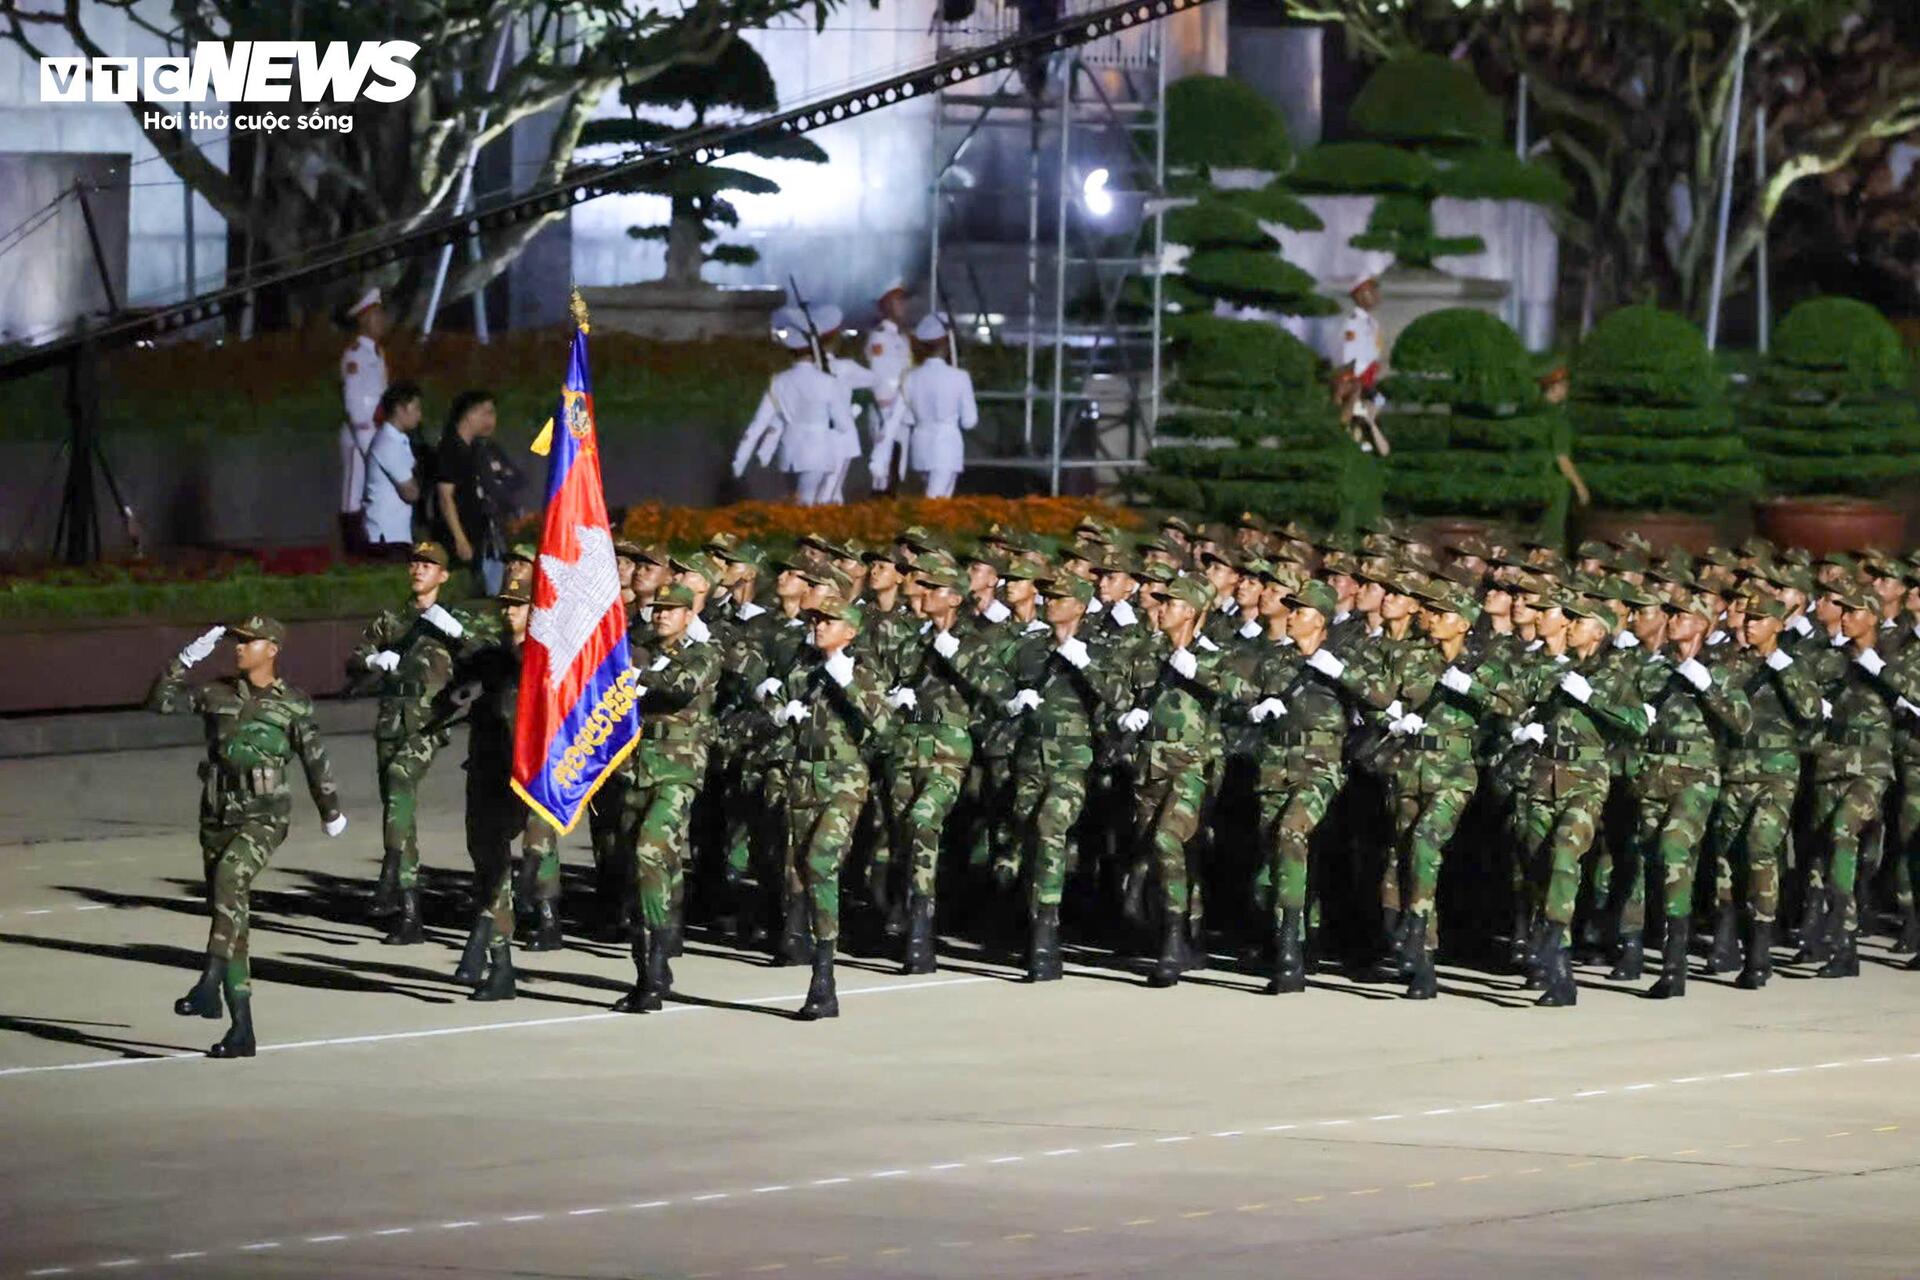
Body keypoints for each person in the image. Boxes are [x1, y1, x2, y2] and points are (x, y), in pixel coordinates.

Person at [149, 616, 345, 1058]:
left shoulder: (292, 703)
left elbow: (315, 760)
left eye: (247, 641)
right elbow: (159, 702)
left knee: (231, 880)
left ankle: (209, 982)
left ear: (272, 648)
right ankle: (242, 1031)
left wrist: (329, 810)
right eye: (235, 641)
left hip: (265, 816)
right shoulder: (215, 692)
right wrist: (185, 657)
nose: (237, 648)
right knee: (230, 913)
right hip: (217, 814)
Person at [770, 595, 892, 1019]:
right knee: (800, 871)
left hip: (844, 779)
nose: (819, 625)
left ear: (851, 631)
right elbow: (775, 712)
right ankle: (820, 970)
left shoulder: (863, 671)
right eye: (815, 619)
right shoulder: (803, 671)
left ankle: (824, 974)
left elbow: (885, 725)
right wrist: (778, 707)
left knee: (822, 861)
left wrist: (849, 683)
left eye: (828, 620)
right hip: (803, 777)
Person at [346, 541, 473, 941]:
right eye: (416, 563)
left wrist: (460, 635)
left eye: (429, 565)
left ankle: (400, 890)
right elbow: (355, 656)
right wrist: (371, 660)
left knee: (401, 781)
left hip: (429, 723)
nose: (419, 569)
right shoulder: (392, 619)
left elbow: (486, 655)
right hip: (390, 722)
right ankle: (402, 901)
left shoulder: (454, 618)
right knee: (396, 809)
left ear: (443, 575)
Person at [616, 583, 722, 1013]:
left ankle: (656, 966)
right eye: (657, 608)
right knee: (638, 871)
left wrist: (634, 673)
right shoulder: (637, 648)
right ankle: (648, 969)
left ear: (687, 615)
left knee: (649, 852)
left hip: (678, 771)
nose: (661, 615)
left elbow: (679, 687)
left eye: (671, 609)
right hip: (635, 770)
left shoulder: (703, 653)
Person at [448, 566, 537, 1002]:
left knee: (504, 864)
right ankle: (497, 963)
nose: (510, 614)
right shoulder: (488, 658)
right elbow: (456, 691)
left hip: (525, 775)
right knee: (487, 862)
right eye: (505, 606)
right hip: (485, 767)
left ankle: (492, 952)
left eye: (519, 606)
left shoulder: (542, 660)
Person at [733, 307, 859, 507]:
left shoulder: (778, 382)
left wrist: (740, 460)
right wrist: (852, 412)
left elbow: (758, 424)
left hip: (789, 453)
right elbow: (843, 425)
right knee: (806, 507)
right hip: (818, 452)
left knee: (796, 503)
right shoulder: (828, 382)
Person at [884, 314, 978, 500]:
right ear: (945, 343)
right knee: (934, 505)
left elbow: (908, 418)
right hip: (947, 448)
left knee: (937, 503)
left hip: (921, 447)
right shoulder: (960, 377)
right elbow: (969, 421)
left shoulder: (910, 377)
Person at [434, 390, 506, 595]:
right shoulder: (450, 449)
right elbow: (445, 497)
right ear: (470, 414)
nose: (490, 420)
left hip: (478, 532)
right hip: (459, 534)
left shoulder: (474, 449)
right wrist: (460, 538)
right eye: (486, 413)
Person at [338, 287, 390, 556]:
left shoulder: (376, 353)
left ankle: (371, 545)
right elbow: (354, 402)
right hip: (362, 432)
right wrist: (366, 439)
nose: (382, 321)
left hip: (377, 431)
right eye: (377, 315)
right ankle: (352, 548)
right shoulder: (356, 355)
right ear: (363, 319)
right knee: (353, 492)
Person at [360, 381, 423, 555]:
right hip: (386, 537)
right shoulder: (388, 444)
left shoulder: (400, 440)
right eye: (416, 408)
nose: (419, 415)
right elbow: (410, 492)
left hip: (397, 535)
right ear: (399, 409)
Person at [864, 285, 913, 492]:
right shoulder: (880, 337)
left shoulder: (901, 338)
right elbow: (880, 375)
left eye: (903, 301)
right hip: (888, 409)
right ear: (886, 306)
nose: (903, 306)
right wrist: (887, 410)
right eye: (897, 301)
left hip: (902, 410)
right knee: (883, 472)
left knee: (898, 468)